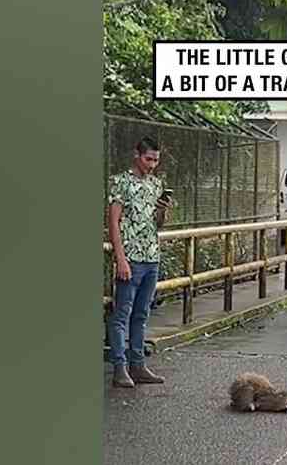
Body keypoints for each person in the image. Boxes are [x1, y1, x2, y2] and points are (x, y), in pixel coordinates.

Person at [106, 137, 173, 388]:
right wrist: (120, 258)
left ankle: (138, 363)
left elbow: (158, 224)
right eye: (148, 159)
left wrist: (163, 210)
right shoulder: (121, 182)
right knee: (122, 313)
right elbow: (113, 221)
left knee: (141, 314)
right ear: (137, 155)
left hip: (151, 255)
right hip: (131, 256)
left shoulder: (156, 184)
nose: (152, 165)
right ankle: (119, 366)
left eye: (156, 160)